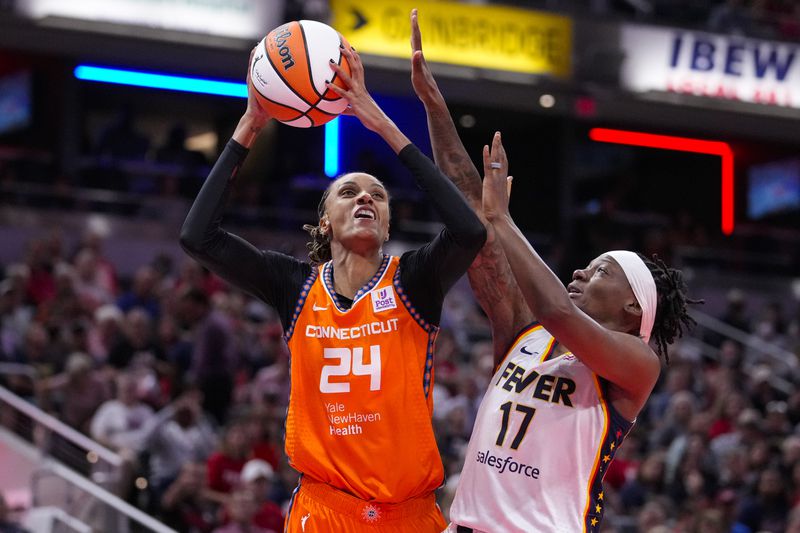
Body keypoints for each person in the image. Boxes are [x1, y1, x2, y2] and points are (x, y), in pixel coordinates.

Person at [409, 9, 699, 532]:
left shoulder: (638, 363)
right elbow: (477, 225)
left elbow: (557, 309)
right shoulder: (527, 335)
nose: (584, 270)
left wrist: (503, 218)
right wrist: (435, 109)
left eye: (602, 269)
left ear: (635, 306)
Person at [179, 43, 486, 532]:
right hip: (324, 513)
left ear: (386, 226)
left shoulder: (414, 280)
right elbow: (198, 237)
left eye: (378, 196)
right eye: (349, 191)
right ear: (324, 223)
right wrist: (250, 126)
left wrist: (381, 124)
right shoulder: (293, 286)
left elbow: (470, 232)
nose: (365, 196)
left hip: (408, 514)